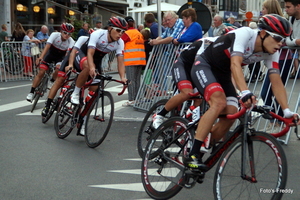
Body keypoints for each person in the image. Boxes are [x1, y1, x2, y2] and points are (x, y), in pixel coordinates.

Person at [183, 14, 299, 169]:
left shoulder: (272, 52)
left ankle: (204, 140)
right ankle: (193, 153)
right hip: (205, 65)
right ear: (263, 33)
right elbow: (235, 64)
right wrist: (244, 92)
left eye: (284, 39)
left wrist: (286, 111)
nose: (281, 43)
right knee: (218, 102)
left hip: (223, 73)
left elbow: (276, 81)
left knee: (231, 111)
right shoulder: (245, 34)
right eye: (278, 38)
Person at [152, 37, 218, 128]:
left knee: (199, 98)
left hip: (196, 67)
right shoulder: (208, 43)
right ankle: (159, 115)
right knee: (187, 93)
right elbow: (197, 66)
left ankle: (188, 123)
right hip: (183, 64)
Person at [69, 16, 128, 107]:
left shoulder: (120, 42)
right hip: (84, 54)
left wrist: (122, 77)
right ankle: (75, 93)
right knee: (88, 67)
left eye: (123, 32)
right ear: (109, 28)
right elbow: (90, 53)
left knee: (95, 89)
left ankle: (83, 115)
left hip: (97, 61)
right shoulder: (98, 34)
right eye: (118, 30)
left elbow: (120, 61)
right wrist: (92, 67)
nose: (120, 34)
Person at [260, 0, 294, 130]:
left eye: (264, 8)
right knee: (267, 93)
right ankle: (276, 121)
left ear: (270, 9)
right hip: (273, 59)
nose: (262, 10)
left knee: (271, 91)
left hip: (283, 60)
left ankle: (278, 120)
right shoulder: (266, 25)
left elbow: (287, 40)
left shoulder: (282, 24)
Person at [26, 23, 75, 102]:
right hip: (50, 54)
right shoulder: (55, 35)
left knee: (58, 69)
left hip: (60, 57)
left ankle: (52, 80)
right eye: (65, 33)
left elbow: (67, 55)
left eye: (69, 34)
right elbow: (47, 46)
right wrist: (41, 57)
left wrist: (67, 64)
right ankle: (31, 93)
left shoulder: (71, 41)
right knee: (41, 72)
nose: (67, 35)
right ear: (61, 31)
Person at [121, 16, 146, 106]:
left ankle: (132, 99)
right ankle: (138, 98)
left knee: (131, 80)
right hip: (140, 59)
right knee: (137, 80)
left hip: (131, 59)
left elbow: (120, 42)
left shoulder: (127, 33)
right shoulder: (138, 33)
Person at [284, 0, 300, 79]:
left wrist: (292, 42)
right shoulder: (291, 19)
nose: (286, 10)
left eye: (288, 7)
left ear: (298, 6)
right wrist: (296, 42)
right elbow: (287, 39)